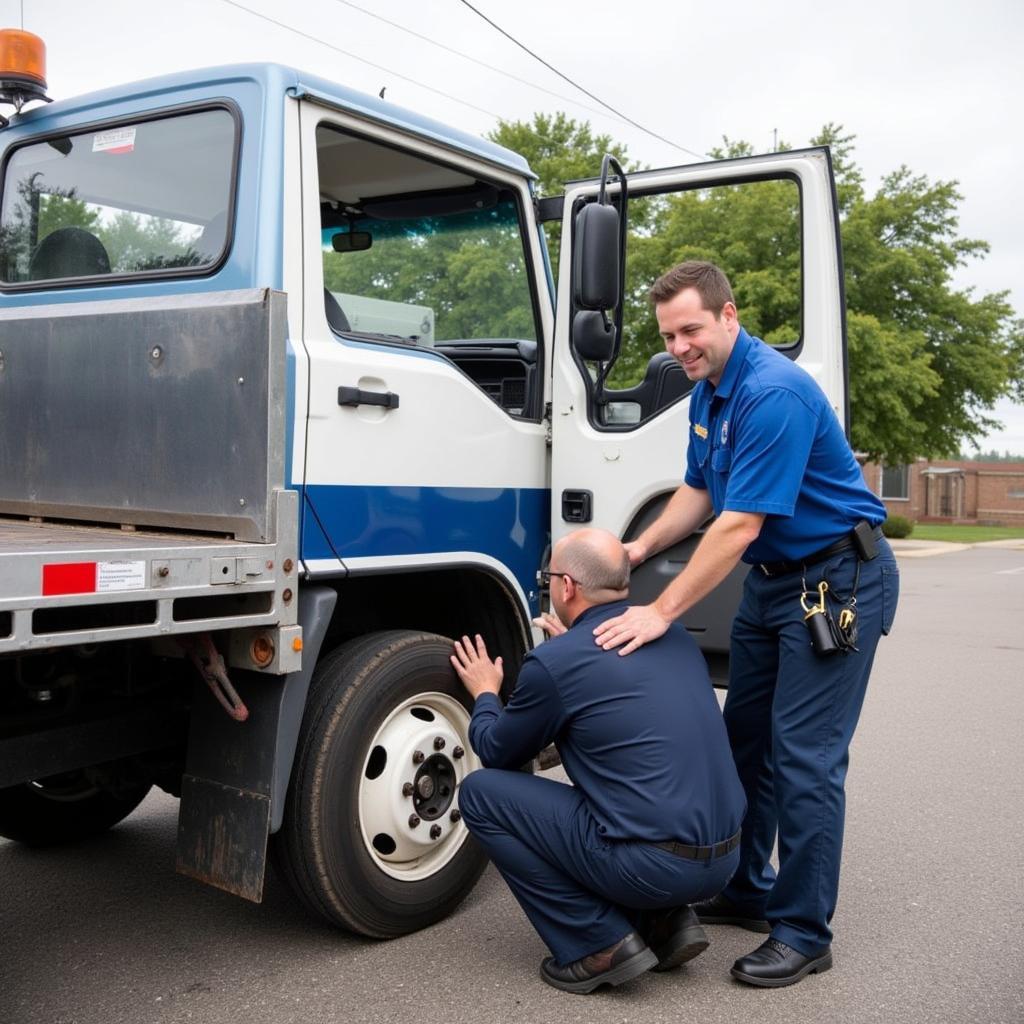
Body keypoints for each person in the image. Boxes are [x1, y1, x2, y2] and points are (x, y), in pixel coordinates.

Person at [592, 261, 899, 988]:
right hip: (772, 586)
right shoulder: (708, 394)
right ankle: (748, 890)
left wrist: (659, 611)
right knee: (744, 744)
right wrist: (637, 549)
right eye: (669, 336)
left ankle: (802, 931)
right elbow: (698, 493)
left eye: (691, 329)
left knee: (805, 758)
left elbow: (736, 527)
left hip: (836, 580)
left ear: (730, 315)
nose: (680, 346)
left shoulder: (771, 394)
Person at [450, 527, 745, 995]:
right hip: (726, 858)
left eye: (548, 578)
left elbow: (497, 751)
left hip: (653, 869)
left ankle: (598, 945)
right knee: (640, 786)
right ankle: (667, 923)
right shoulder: (674, 636)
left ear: (566, 586)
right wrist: (572, 648)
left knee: (482, 794)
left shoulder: (558, 662)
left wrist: (486, 691)